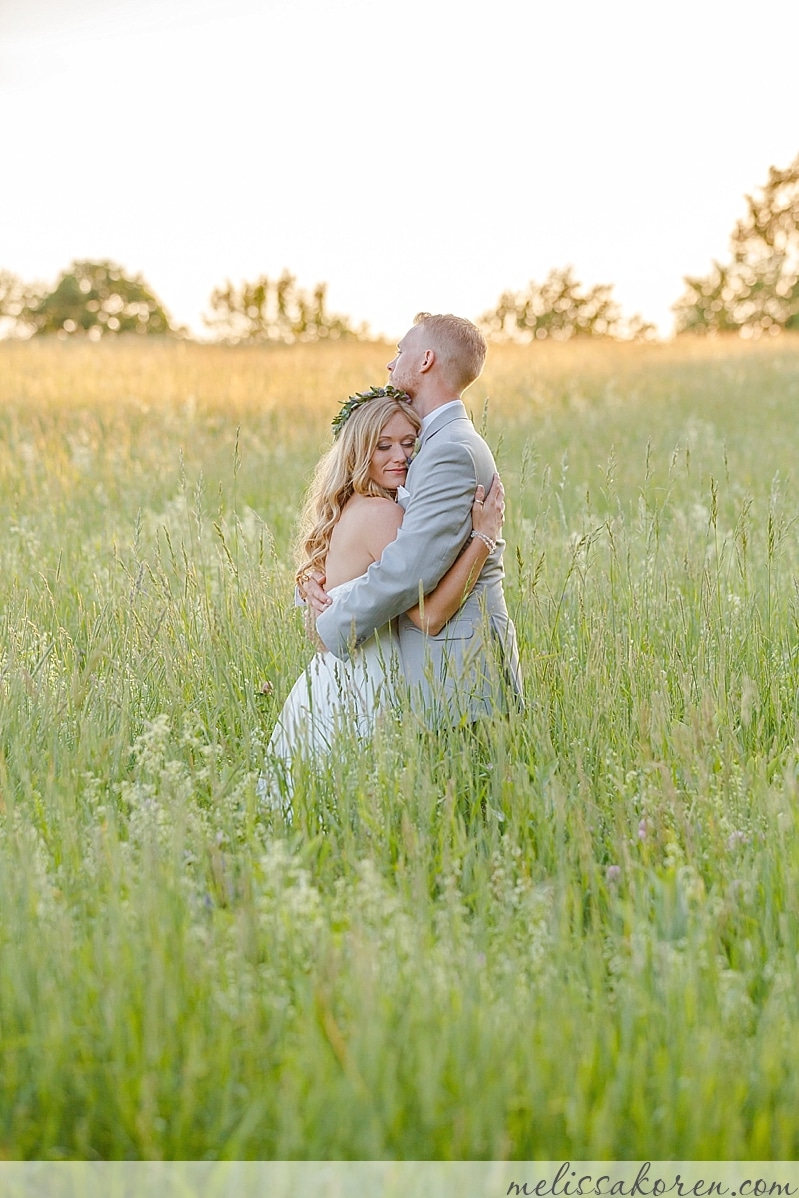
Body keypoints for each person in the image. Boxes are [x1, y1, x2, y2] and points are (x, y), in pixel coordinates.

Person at [262, 388, 505, 798]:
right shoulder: (383, 515)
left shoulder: (356, 506)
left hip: (329, 681)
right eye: (383, 446)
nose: (400, 457)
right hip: (360, 687)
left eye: (409, 444)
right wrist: (483, 537)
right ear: (359, 452)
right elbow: (428, 615)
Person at [309, 312, 523, 727]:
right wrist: (320, 582)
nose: (391, 364)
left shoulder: (449, 450)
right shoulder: (430, 442)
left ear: (425, 360)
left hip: (460, 668)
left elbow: (409, 576)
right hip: (431, 669)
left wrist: (331, 620)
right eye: (385, 446)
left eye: (399, 351)